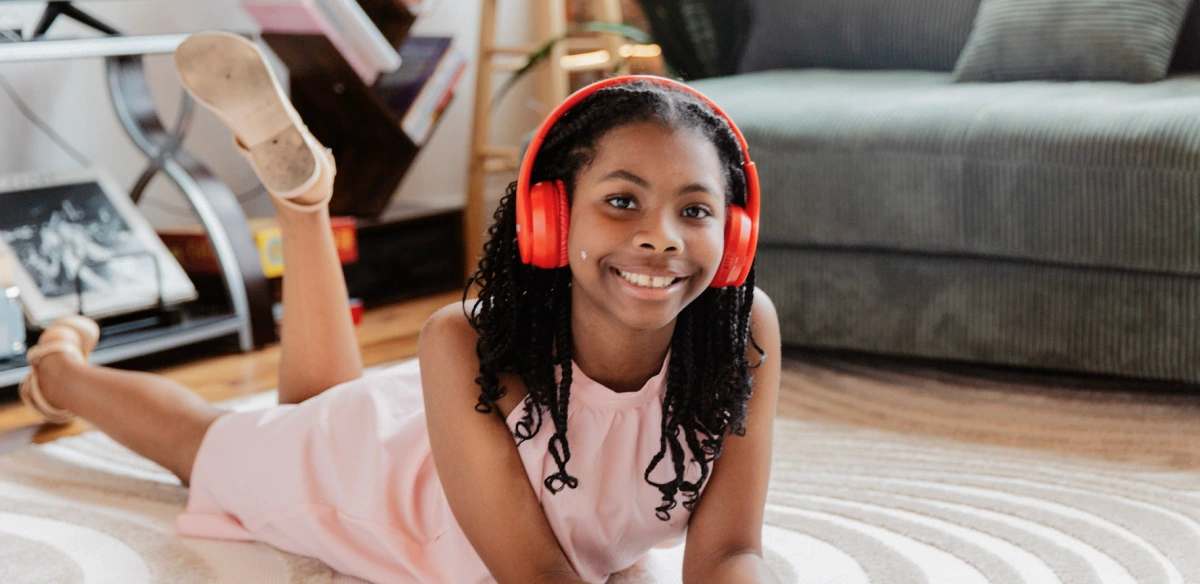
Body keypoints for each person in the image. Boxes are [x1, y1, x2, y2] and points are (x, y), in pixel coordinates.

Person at [18, 31, 783, 584]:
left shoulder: (744, 334)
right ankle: (59, 373)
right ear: (550, 220)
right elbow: (540, 576)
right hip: (380, 495)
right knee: (205, 444)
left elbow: (726, 556)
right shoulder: (465, 342)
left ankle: (305, 202)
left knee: (314, 406)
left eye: (695, 211)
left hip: (434, 441)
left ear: (736, 235)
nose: (660, 238)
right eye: (621, 201)